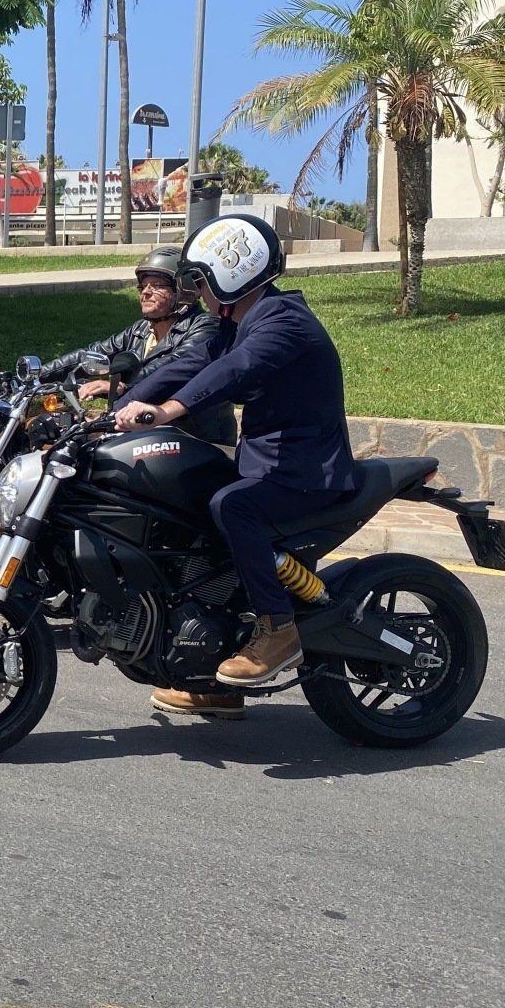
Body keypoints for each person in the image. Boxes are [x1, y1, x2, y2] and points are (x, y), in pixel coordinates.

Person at [114, 213, 358, 703]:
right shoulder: (239, 322)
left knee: (233, 507)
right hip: (265, 463)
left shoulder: (284, 321)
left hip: (304, 470)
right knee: (187, 508)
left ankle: (279, 629)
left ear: (233, 274)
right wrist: (120, 405)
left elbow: (233, 371)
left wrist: (167, 411)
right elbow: (194, 362)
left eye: (202, 281)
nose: (198, 292)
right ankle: (208, 673)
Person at [37, 245, 237, 449]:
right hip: (149, 434)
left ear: (183, 290)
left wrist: (122, 387)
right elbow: (93, 353)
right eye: (143, 286)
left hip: (199, 440)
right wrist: (36, 376)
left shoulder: (205, 326)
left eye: (157, 285)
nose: (146, 293)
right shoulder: (141, 330)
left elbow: (172, 368)